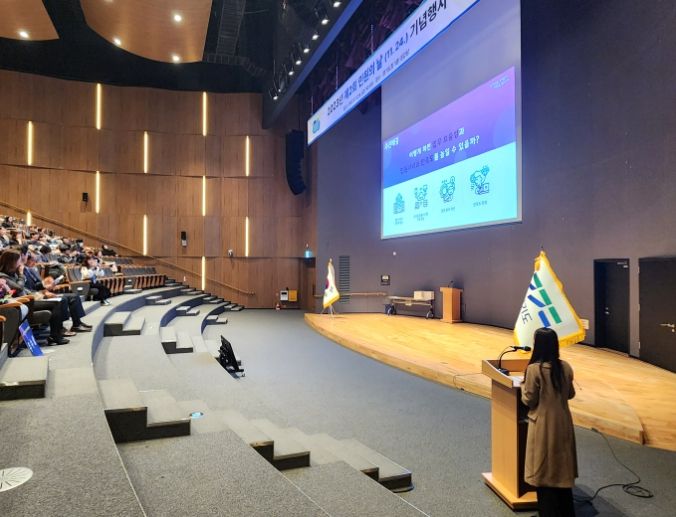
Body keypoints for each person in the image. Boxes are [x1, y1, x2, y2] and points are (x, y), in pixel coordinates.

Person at [521, 327, 577, 517]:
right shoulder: (565, 367)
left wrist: (523, 386)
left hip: (543, 426)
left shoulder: (534, 370)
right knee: (561, 472)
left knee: (544, 474)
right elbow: (570, 394)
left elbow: (529, 400)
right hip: (563, 423)